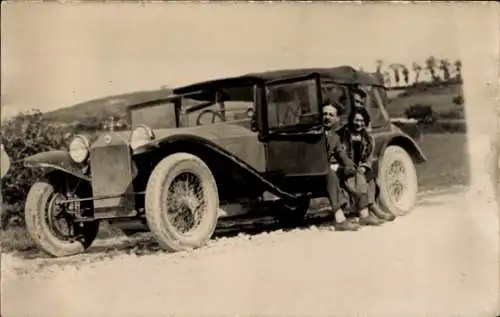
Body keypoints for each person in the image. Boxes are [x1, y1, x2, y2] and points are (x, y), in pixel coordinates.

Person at [337, 103, 396, 225]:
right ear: (351, 120)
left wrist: (364, 166)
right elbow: (338, 154)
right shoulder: (342, 135)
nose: (359, 124)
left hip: (359, 168)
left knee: (369, 175)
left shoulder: (367, 137)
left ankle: (372, 208)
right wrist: (348, 167)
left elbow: (369, 157)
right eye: (356, 120)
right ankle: (368, 211)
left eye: (362, 121)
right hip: (345, 168)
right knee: (358, 176)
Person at [322, 102, 361, 231]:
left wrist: (353, 166)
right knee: (331, 174)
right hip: (313, 171)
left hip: (327, 169)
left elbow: (342, 155)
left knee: (353, 170)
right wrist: (330, 167)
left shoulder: (335, 137)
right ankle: (339, 219)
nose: (327, 117)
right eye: (324, 114)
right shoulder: (315, 134)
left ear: (337, 119)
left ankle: (364, 209)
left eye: (330, 115)